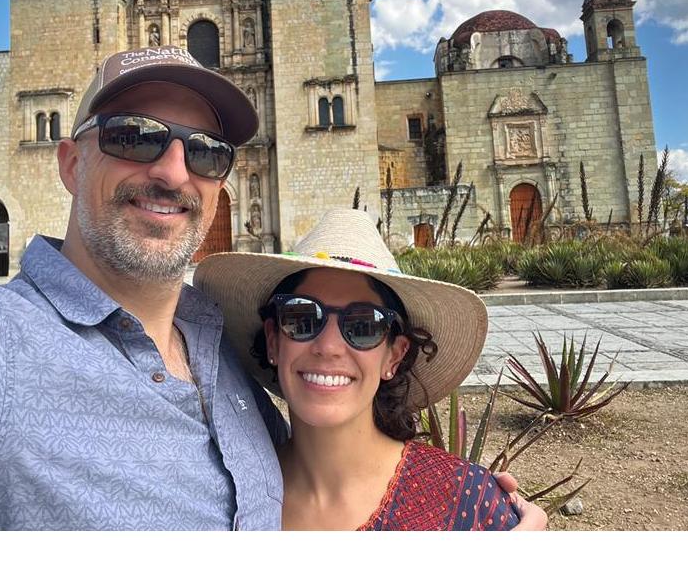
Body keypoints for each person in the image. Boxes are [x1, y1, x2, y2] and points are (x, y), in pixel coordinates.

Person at [0, 45, 543, 531]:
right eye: (133, 136)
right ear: (69, 162)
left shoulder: (223, 354)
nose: (173, 172)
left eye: (206, 151)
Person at [194, 208, 544, 531]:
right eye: (302, 319)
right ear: (273, 341)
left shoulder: (470, 504)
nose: (329, 347)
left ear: (394, 356)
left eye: (364, 326)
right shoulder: (226, 497)